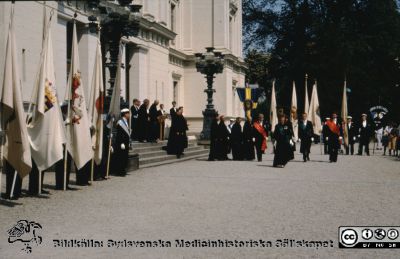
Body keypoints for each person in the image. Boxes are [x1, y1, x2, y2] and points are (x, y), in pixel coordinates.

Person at [114, 108, 131, 176]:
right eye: (128, 113)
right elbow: (120, 134)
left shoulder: (126, 121)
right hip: (122, 143)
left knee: (124, 157)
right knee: (121, 157)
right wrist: (121, 143)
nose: (129, 115)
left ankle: (123, 170)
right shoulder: (120, 122)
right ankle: (120, 171)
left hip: (126, 142)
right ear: (125, 114)